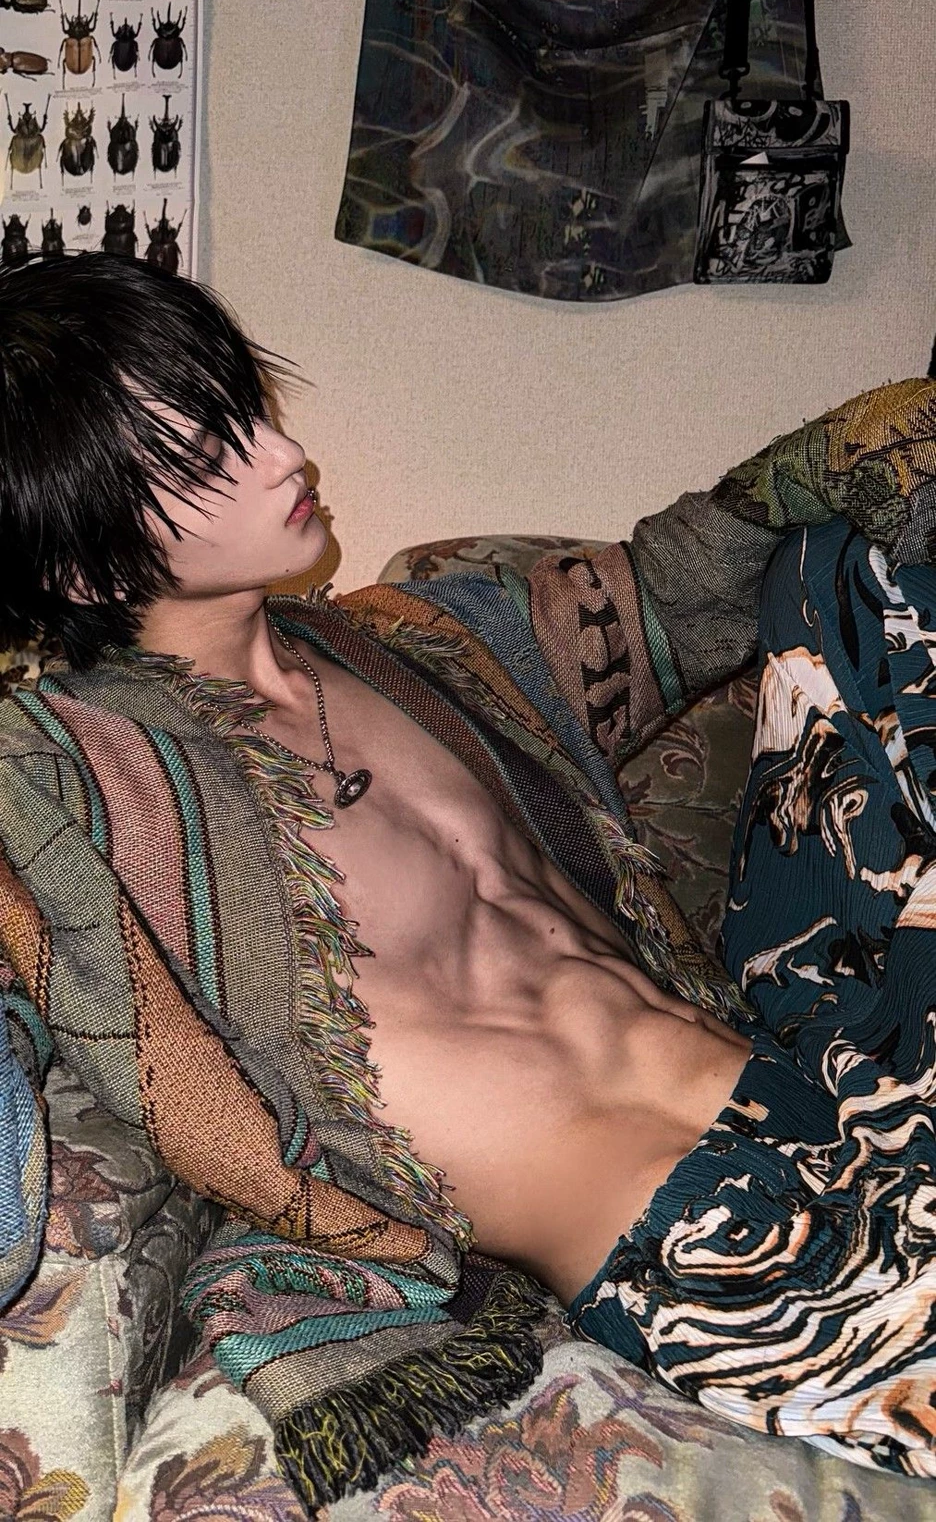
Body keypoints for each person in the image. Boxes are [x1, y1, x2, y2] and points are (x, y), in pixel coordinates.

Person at [2, 253, 936, 1505]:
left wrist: (843, 453)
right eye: (211, 454)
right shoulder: (62, 778)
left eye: (251, 411)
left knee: (851, 561)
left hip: (830, 1086)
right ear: (88, 569)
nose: (286, 457)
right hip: (693, 1233)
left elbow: (670, 584)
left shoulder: (422, 641)